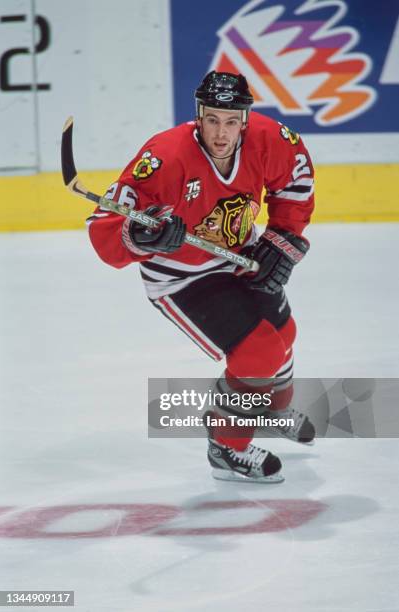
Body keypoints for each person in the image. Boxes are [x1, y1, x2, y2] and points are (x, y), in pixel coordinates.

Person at [87, 71, 315, 483]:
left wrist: (283, 238)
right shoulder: (164, 157)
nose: (221, 133)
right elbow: (104, 226)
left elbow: (296, 185)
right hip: (182, 277)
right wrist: (140, 235)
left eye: (230, 122)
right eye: (212, 120)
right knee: (259, 352)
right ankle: (226, 446)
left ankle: (273, 407)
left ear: (245, 119)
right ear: (199, 116)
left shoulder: (271, 139)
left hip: (239, 256)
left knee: (286, 334)